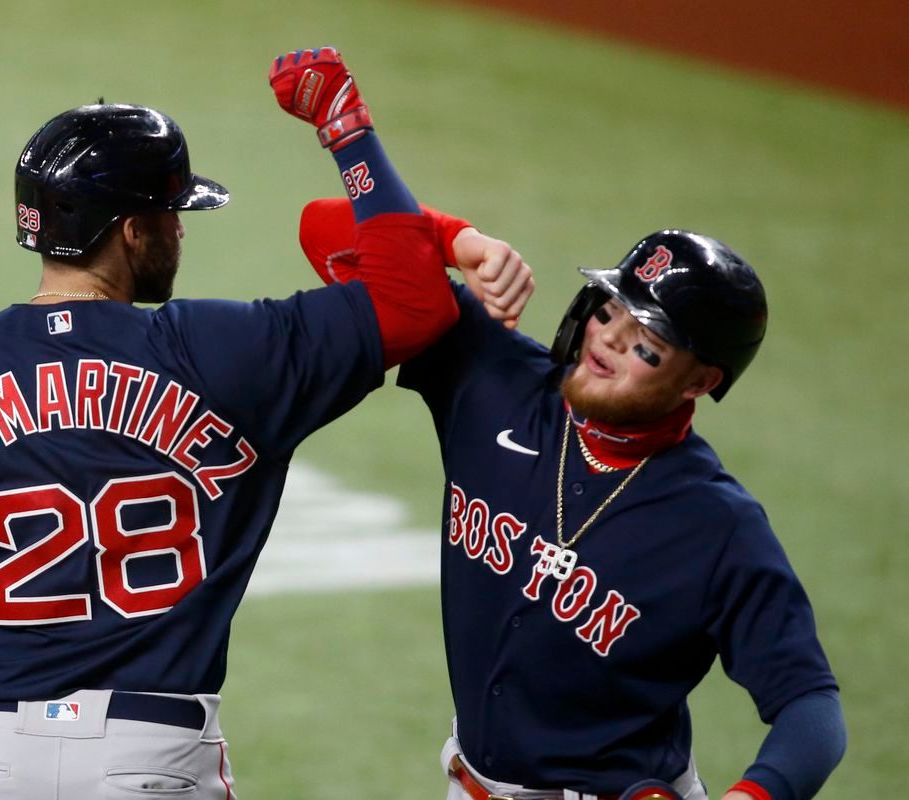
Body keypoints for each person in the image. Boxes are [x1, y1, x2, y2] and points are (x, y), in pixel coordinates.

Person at [0, 47, 466, 799]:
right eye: (171, 213)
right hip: (150, 754)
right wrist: (347, 131)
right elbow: (415, 297)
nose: (180, 231)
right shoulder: (225, 352)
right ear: (133, 232)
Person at [298, 204, 846, 800]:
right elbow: (324, 230)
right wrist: (463, 242)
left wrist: (755, 797)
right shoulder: (494, 379)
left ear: (698, 382)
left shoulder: (716, 526)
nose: (609, 338)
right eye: (610, 310)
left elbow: (810, 706)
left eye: (647, 343)